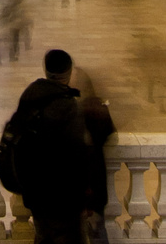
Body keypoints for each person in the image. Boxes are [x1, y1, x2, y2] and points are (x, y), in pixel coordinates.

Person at [8, 49, 102, 244]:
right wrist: (87, 194)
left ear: (46, 70)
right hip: (64, 199)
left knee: (42, 236)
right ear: (68, 74)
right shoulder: (69, 107)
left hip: (36, 193)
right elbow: (78, 155)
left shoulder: (30, 95)